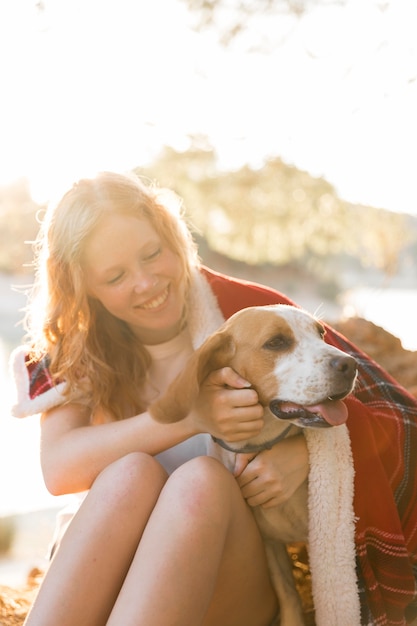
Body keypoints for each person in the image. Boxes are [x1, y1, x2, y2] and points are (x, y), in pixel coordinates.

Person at [9, 171, 417, 626]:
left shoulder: (247, 312)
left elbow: (398, 418)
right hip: (103, 565)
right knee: (131, 473)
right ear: (82, 285)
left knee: (200, 480)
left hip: (224, 563)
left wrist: (308, 452)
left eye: (152, 254)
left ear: (173, 238)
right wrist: (193, 417)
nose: (146, 283)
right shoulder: (72, 346)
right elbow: (59, 469)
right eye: (116, 276)